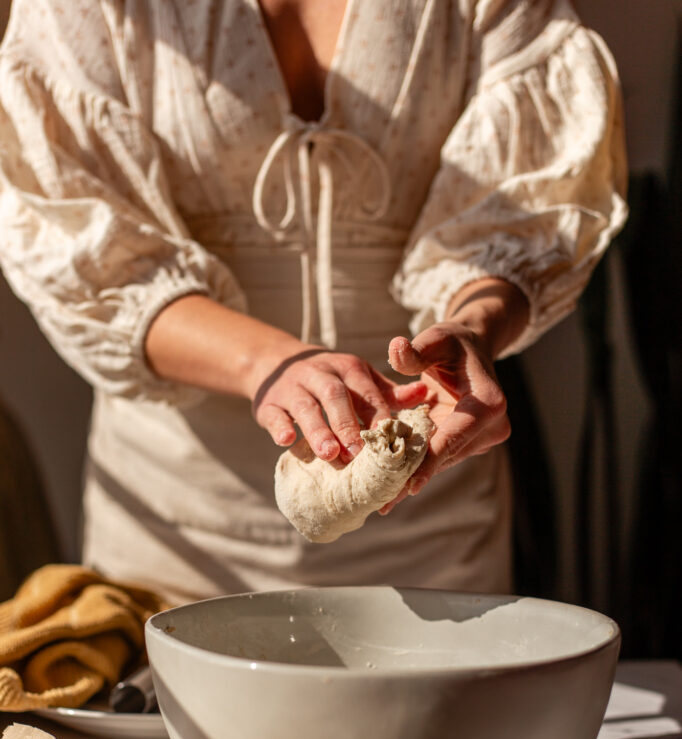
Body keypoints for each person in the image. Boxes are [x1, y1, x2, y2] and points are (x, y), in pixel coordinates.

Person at [0, 0, 627, 605]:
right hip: (179, 526)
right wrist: (265, 363)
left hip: (427, 509)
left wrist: (472, 326)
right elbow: (79, 245)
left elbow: (525, 216)